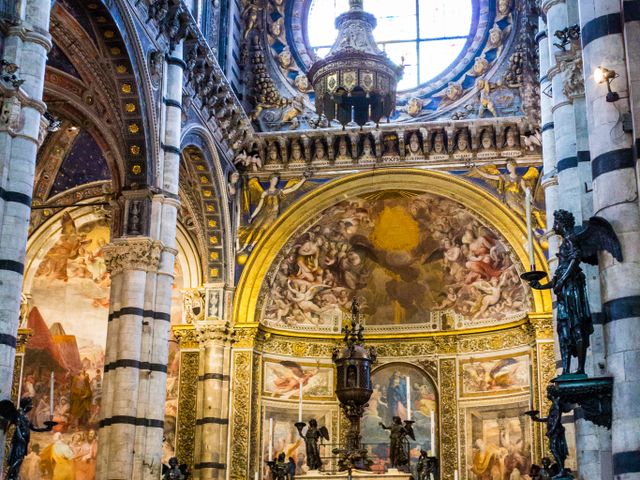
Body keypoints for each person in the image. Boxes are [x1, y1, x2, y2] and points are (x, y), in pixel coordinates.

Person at [0, 397, 56, 480]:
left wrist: (46, 428)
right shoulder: (19, 414)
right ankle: (10, 476)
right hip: (19, 442)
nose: (32, 407)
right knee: (17, 459)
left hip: (23, 442)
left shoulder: (25, 417)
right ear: (26, 406)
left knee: (20, 459)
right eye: (30, 405)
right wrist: (21, 439)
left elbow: (33, 428)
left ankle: (14, 476)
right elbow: (18, 428)